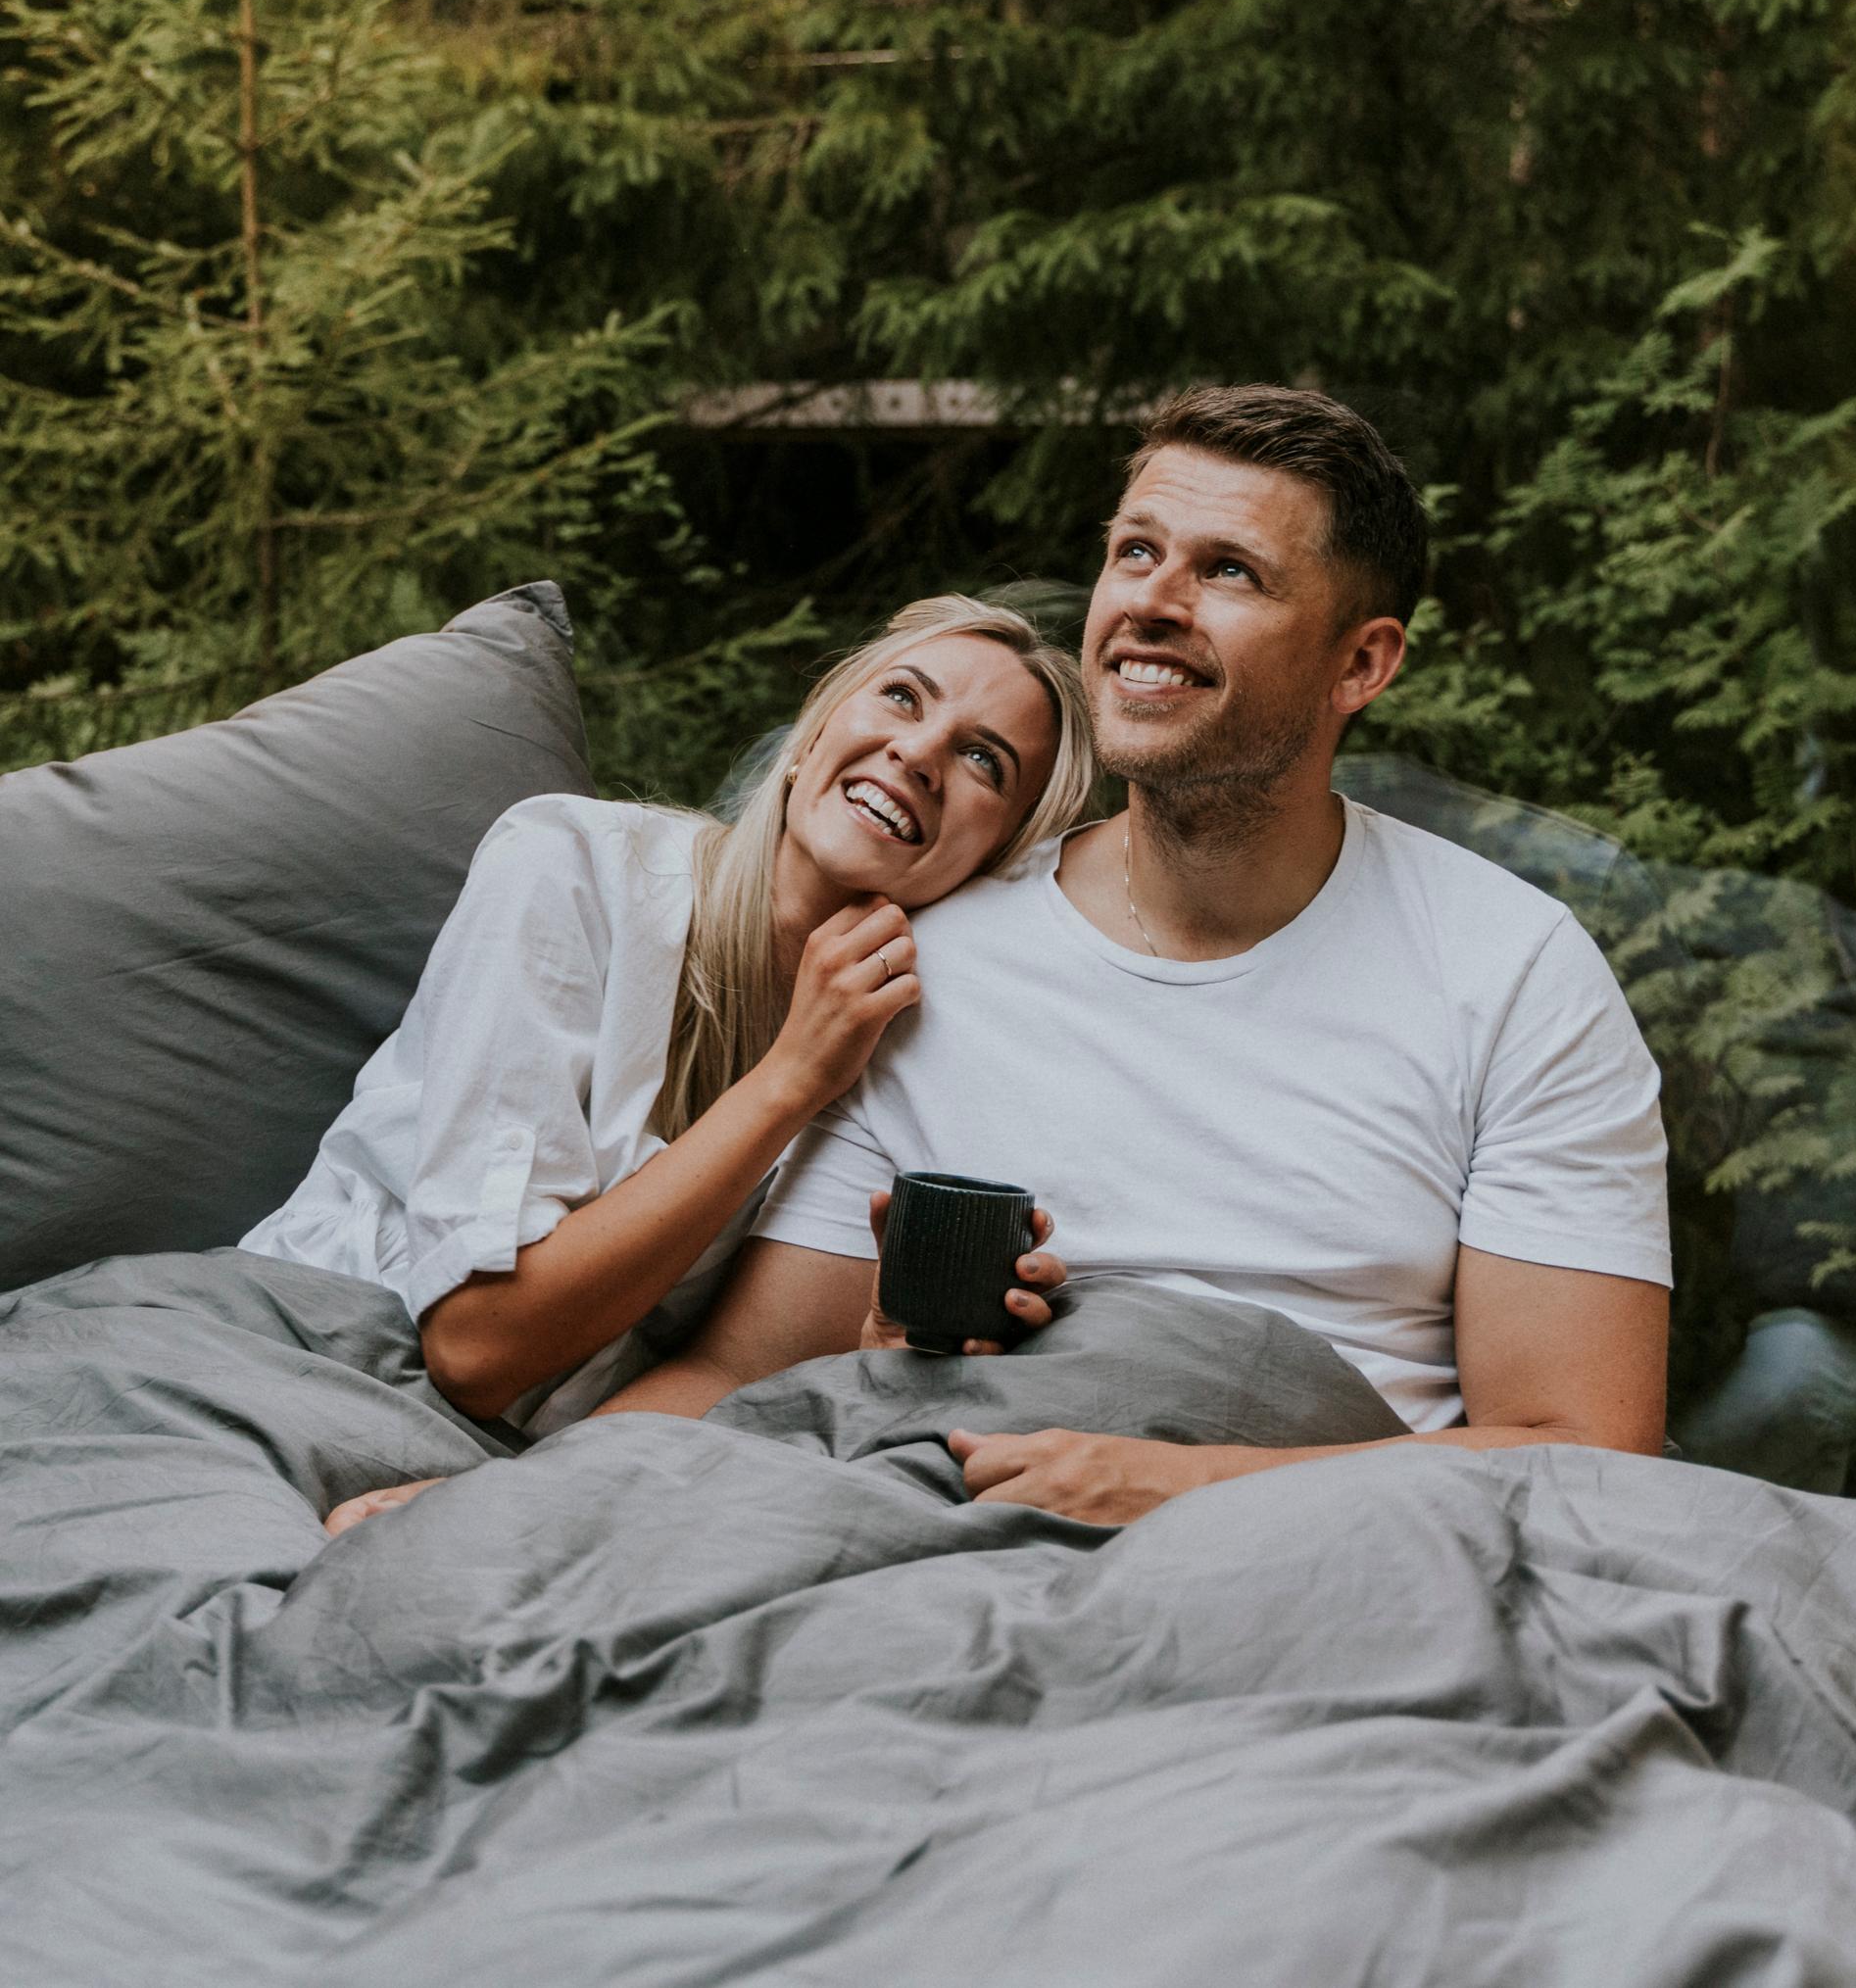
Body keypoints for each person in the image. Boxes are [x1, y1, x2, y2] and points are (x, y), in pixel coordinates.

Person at [587, 385, 1673, 1527]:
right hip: (956, 1529)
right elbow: (734, 1381)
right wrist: (493, 1507)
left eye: (1227, 572)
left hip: (1340, 1556)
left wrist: (1179, 1487)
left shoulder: (1506, 973)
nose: (1150, 603)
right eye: (1135, 552)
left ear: (1360, 663)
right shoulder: (927, 963)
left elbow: (1583, 1451)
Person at [245, 594, 1094, 1461]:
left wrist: (867, 1353)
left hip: (554, 1456)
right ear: (811, 736)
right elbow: (475, 1347)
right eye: (904, 697)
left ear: (998, 862)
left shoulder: (909, 1052)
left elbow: (725, 1368)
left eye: (983, 759)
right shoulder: (569, 869)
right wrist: (790, 1080)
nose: (917, 752)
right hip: (314, 1347)